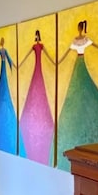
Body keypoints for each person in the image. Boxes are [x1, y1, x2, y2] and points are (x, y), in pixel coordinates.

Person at [56, 20, 98, 170]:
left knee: (83, 92)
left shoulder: (83, 40)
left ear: (81, 28)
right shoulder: (79, 40)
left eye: (80, 27)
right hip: (80, 64)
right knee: (77, 94)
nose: (80, 29)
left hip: (80, 64)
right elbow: (66, 54)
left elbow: (96, 47)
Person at [18, 30, 55, 164]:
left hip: (39, 66)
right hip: (36, 66)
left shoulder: (40, 46)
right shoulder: (35, 47)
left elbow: (49, 58)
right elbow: (28, 55)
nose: (37, 38)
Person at [0, 36, 17, 154]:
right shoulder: (2, 51)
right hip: (3, 66)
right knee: (2, 78)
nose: (2, 43)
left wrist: (14, 66)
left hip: (4, 66)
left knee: (3, 78)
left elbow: (9, 60)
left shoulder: (3, 51)